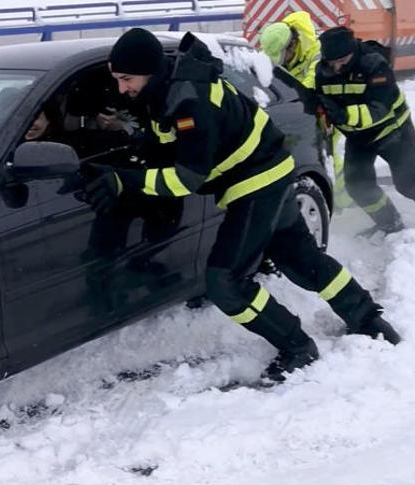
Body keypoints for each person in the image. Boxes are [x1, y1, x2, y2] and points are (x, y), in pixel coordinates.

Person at [80, 28, 400, 381]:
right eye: (118, 80)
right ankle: (368, 318)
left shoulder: (190, 100)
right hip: (271, 173)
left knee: (225, 281)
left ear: (150, 70)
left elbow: (186, 179)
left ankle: (297, 347)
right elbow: (163, 144)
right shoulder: (169, 90)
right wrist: (118, 161)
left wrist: (123, 180)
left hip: (256, 183)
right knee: (300, 259)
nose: (123, 88)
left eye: (127, 79)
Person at [315, 26, 415, 235]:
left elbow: (379, 109)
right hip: (358, 137)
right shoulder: (323, 71)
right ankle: (390, 224)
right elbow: (324, 101)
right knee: (358, 185)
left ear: (352, 52)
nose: (336, 68)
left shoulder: (375, 64)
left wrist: (342, 115)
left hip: (393, 132)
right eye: (331, 63)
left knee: (408, 183)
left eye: (341, 62)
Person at [259, 12, 353, 210]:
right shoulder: (276, 44)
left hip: (325, 108)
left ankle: (343, 204)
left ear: (292, 45)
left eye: (283, 56)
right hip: (305, 111)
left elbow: (309, 86)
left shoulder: (316, 53)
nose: (282, 61)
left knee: (328, 157)